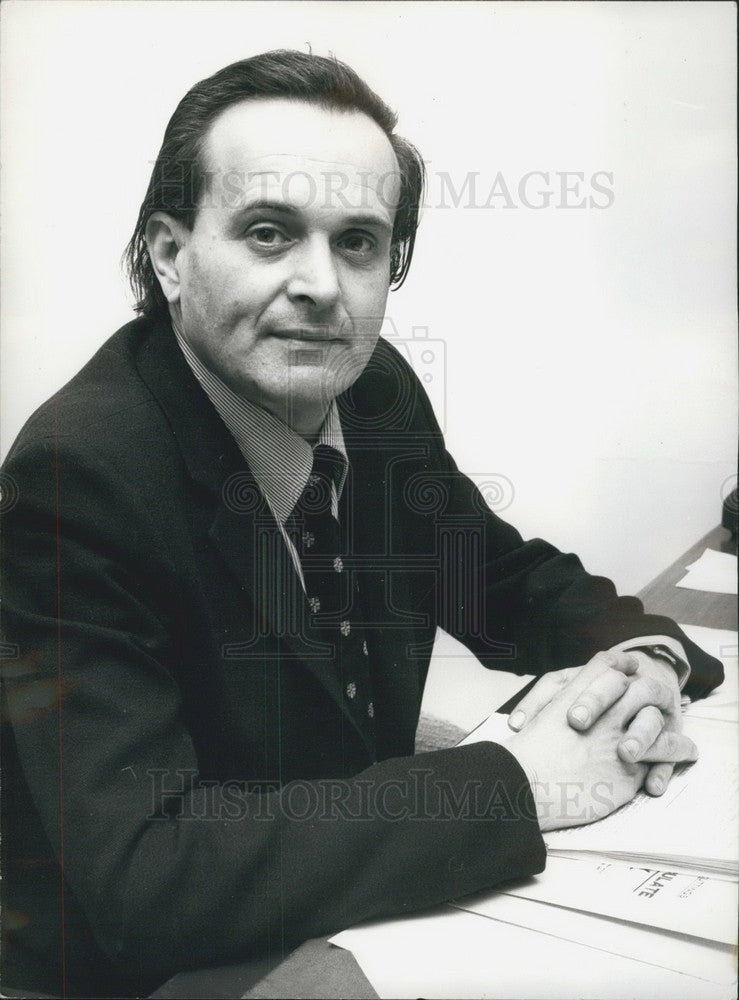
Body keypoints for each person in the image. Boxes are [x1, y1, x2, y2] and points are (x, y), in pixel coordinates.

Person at [0, 49, 723, 999]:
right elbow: (145, 878)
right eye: (268, 232)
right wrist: (521, 784)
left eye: (357, 242)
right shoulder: (77, 478)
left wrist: (644, 659)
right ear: (171, 256)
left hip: (341, 883)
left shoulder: (372, 390)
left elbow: (493, 579)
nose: (321, 284)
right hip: (147, 961)